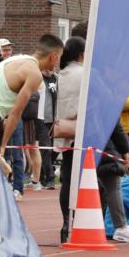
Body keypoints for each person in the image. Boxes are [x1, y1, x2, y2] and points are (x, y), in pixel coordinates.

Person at [0, 33, 63, 153]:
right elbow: (16, 112)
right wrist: (3, 146)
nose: (58, 62)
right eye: (59, 57)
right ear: (53, 56)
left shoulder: (15, 59)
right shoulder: (35, 74)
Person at [53, 36, 86, 243]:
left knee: (67, 179)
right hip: (82, 131)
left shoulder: (60, 75)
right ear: (83, 54)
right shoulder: (85, 74)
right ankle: (82, 221)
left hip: (63, 131)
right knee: (87, 180)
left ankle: (67, 222)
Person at [98, 119, 129, 243]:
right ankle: (121, 227)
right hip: (106, 148)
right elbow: (115, 126)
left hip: (86, 144)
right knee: (113, 187)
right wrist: (125, 150)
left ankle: (71, 224)